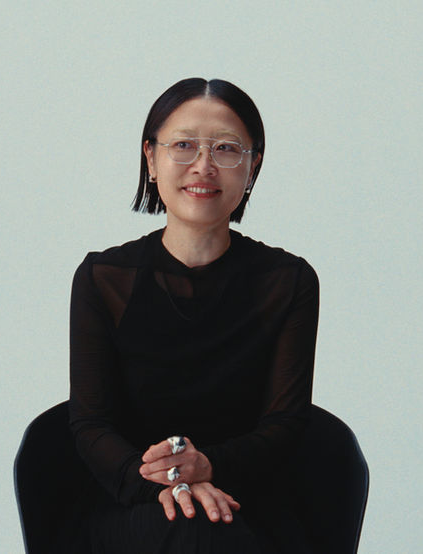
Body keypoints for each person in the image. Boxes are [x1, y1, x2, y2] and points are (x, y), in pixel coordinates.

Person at [69, 77, 319, 553]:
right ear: (151, 158)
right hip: (126, 500)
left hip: (248, 502)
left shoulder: (288, 282)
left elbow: (285, 425)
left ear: (253, 166)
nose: (204, 166)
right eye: (183, 145)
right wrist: (168, 485)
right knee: (188, 527)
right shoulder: (103, 278)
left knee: (210, 530)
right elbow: (90, 425)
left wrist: (209, 467)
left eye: (226, 149)